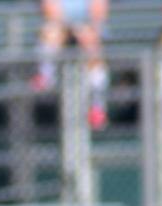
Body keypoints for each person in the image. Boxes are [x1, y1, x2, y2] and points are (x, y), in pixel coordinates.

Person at [34, 0, 111, 131]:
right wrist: (71, 28)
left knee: (90, 43)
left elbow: (99, 13)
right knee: (50, 32)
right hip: (62, 29)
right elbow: (51, 12)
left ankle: (97, 107)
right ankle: (47, 78)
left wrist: (81, 29)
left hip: (88, 30)